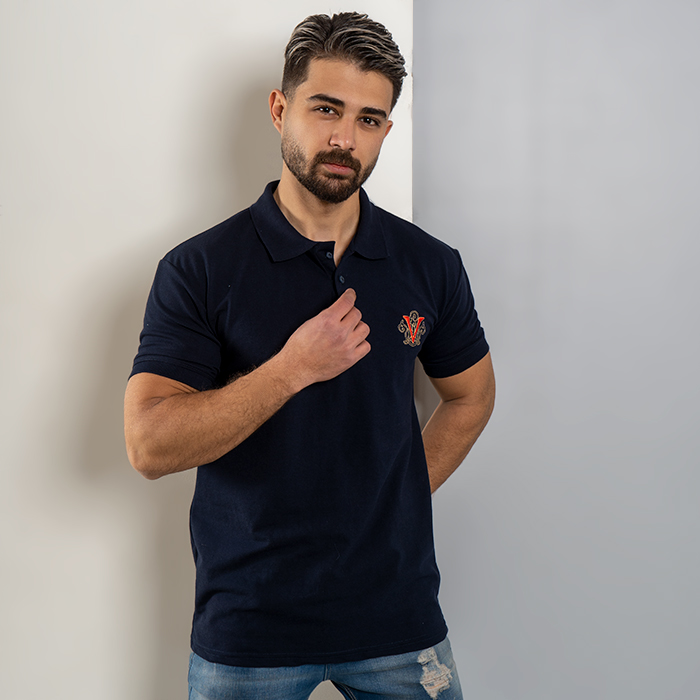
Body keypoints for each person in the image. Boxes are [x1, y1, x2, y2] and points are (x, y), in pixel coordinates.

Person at [124, 11, 495, 700]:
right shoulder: (199, 269)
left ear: (386, 130)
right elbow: (149, 445)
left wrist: (400, 495)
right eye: (326, 109)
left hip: (399, 620)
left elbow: (470, 395)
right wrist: (292, 368)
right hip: (250, 629)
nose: (344, 138)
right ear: (279, 109)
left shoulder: (430, 265)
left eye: (368, 119)